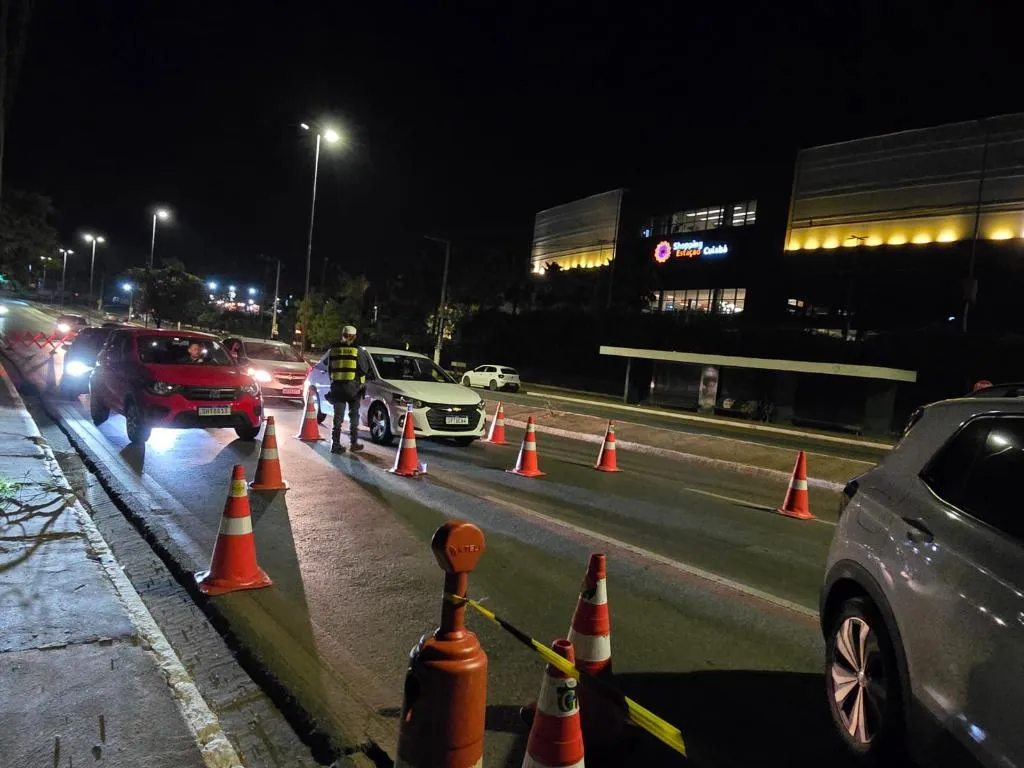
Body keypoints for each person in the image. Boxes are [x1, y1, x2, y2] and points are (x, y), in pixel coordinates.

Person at [327, 325, 369, 454]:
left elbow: (330, 369)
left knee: (337, 419)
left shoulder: (333, 350)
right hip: (353, 390)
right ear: (355, 336)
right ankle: (353, 443)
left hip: (337, 389)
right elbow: (364, 369)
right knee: (353, 416)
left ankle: (335, 445)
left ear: (343, 335)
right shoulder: (357, 351)